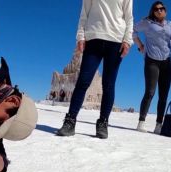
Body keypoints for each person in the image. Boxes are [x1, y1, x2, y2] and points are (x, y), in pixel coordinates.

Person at [57, 0, 133, 139]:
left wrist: (127, 40)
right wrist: (80, 36)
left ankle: (103, 123)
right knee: (83, 81)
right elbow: (84, 14)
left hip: (115, 41)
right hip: (93, 38)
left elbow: (129, 17)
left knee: (109, 85)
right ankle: (70, 121)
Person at [133, 1, 171, 134]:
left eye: (162, 8)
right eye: (156, 9)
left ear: (165, 11)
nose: (159, 10)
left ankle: (158, 125)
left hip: (167, 63)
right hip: (152, 62)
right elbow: (133, 31)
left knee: (163, 96)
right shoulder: (147, 23)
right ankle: (141, 122)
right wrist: (140, 46)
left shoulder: (169, 24)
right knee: (150, 92)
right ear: (153, 11)